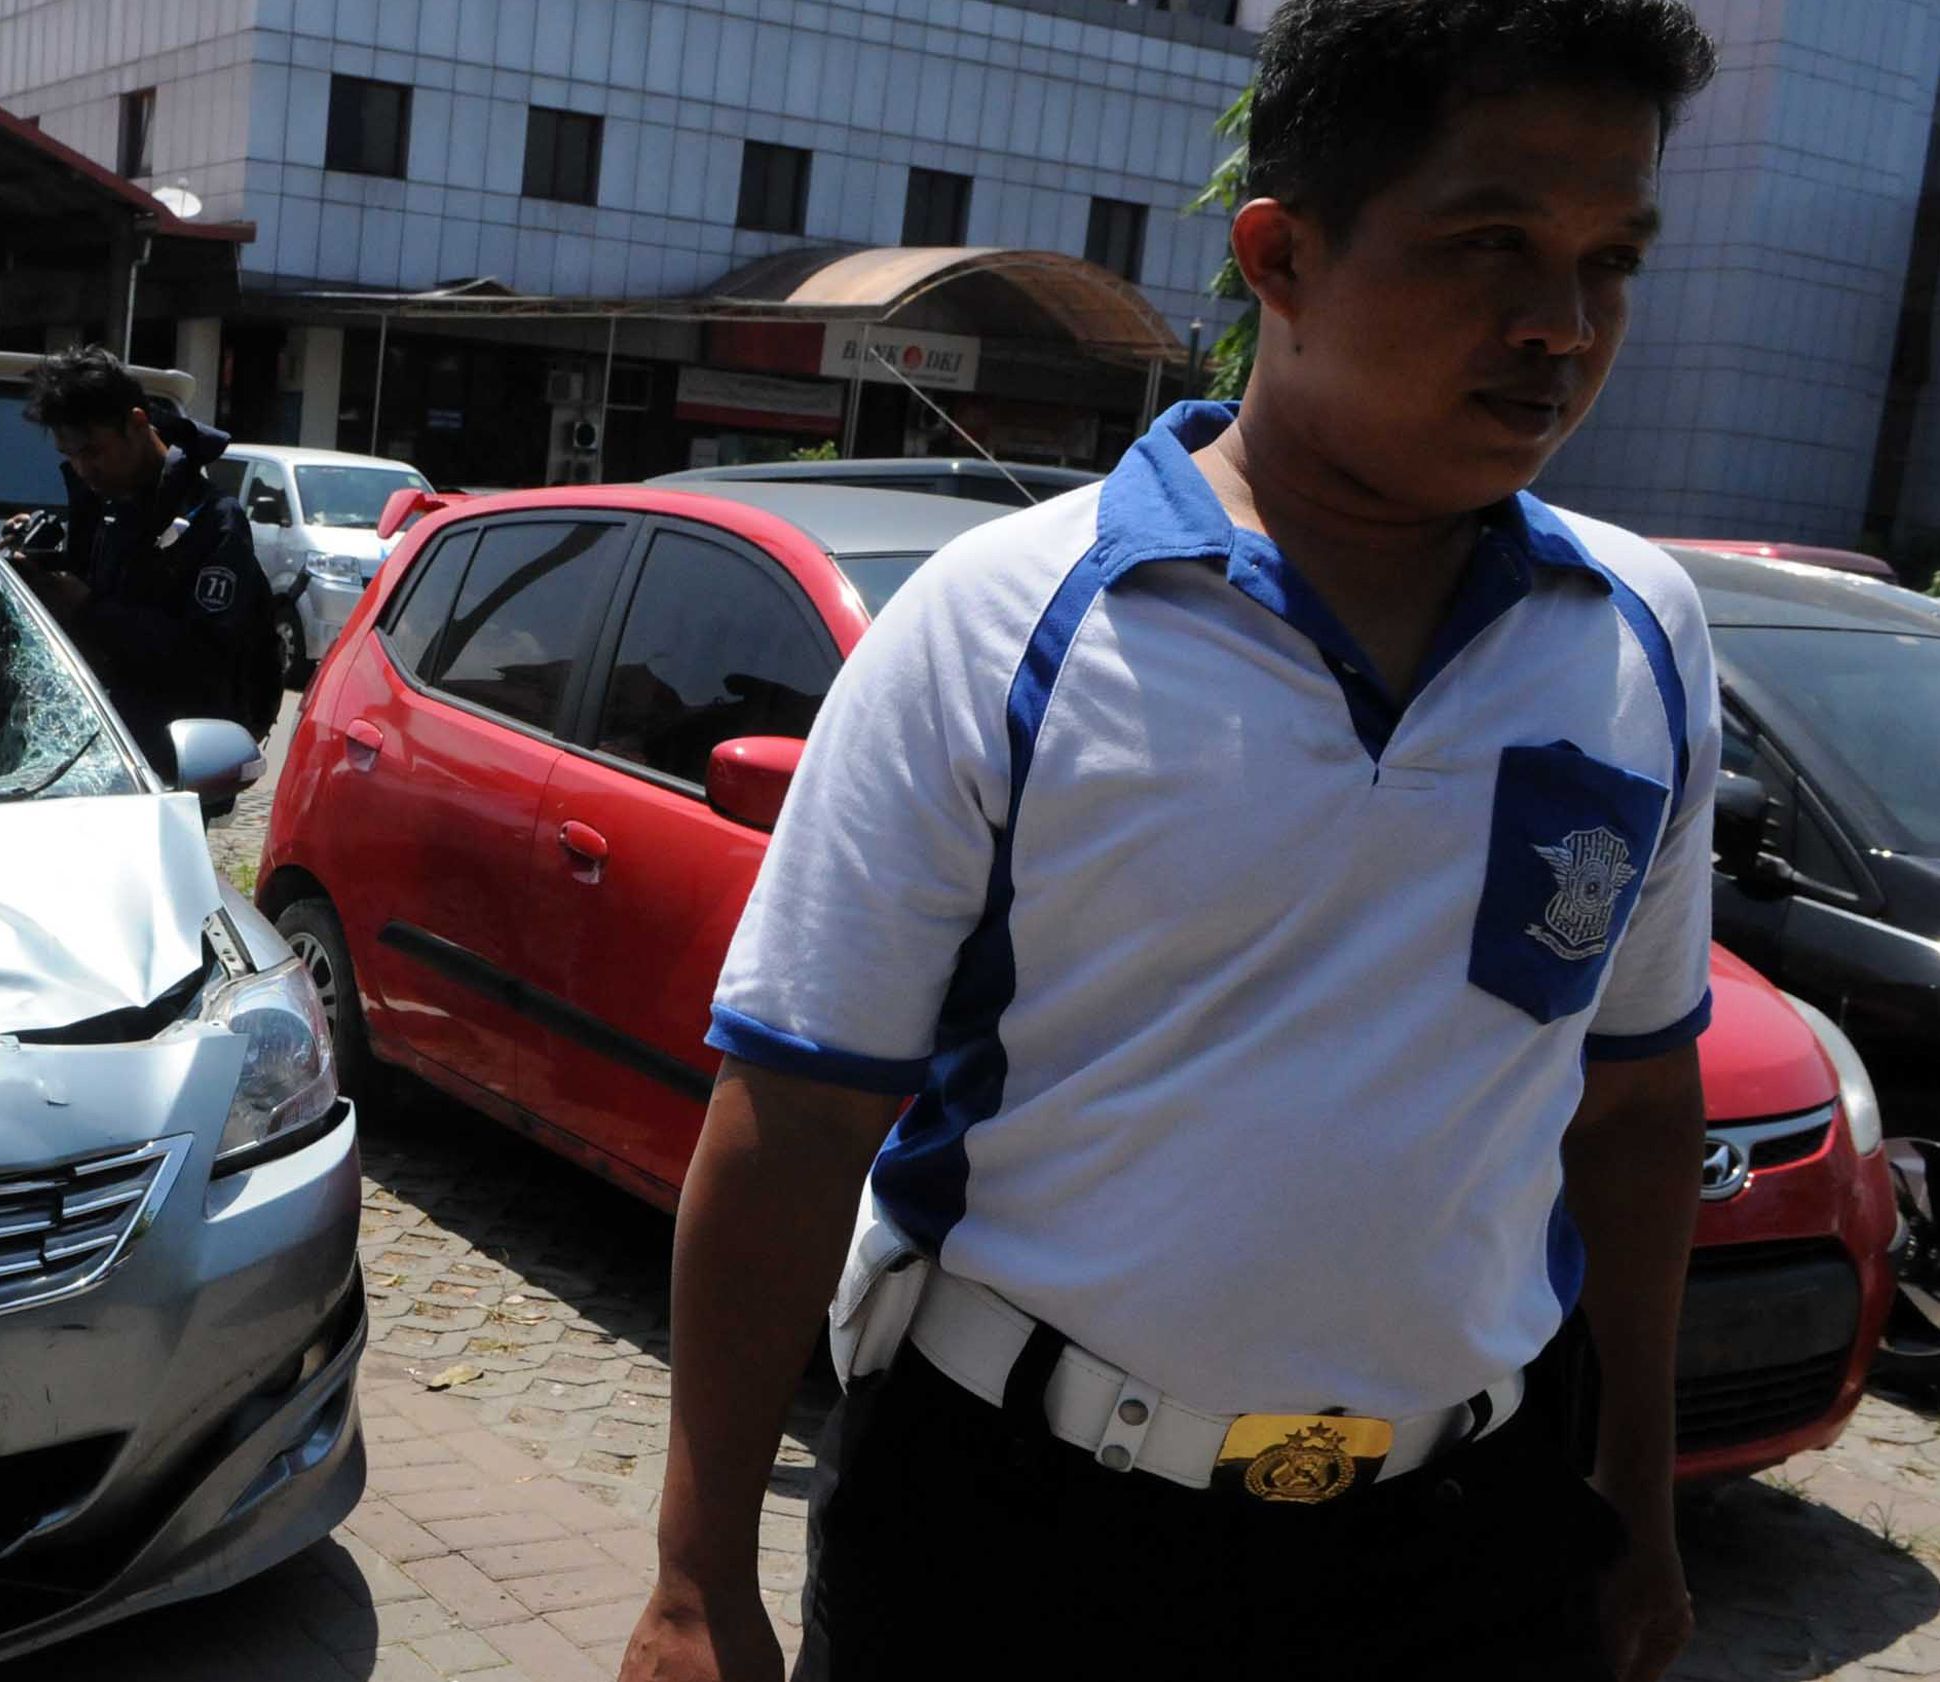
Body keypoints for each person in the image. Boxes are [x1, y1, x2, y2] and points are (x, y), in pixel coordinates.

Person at [622, 4, 1722, 1680]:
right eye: (1488, 242)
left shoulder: (1633, 633)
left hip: (1463, 1543)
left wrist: (1629, 1505)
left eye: (1609, 261)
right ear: (1275, 256)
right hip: (1019, 1538)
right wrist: (698, 1580)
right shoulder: (1006, 623)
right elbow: (789, 1116)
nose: (1557, 327)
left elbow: (1633, 1109)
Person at [5, 346, 276, 775]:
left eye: (92, 451)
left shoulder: (212, 520)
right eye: (69, 455)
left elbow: (206, 662)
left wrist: (89, 607)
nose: (82, 468)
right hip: (91, 756)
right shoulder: (102, 507)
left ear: (136, 423)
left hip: (173, 769)